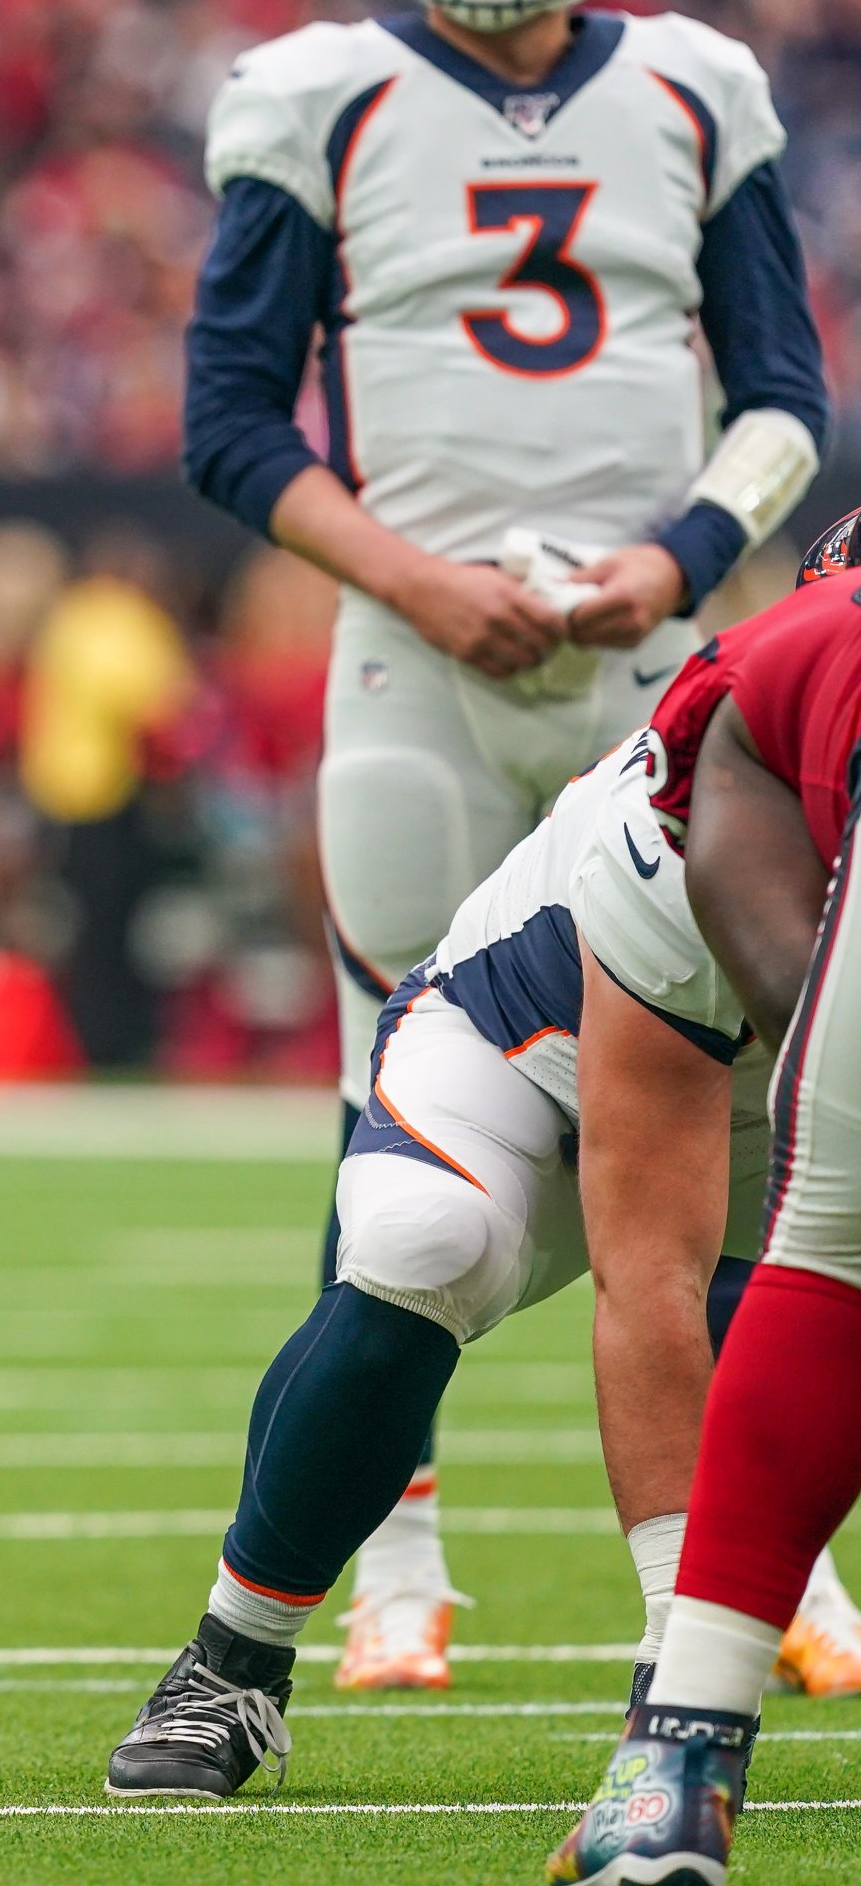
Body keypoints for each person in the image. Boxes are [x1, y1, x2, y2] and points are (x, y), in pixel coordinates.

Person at [178, 0, 828, 1689]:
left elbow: (788, 392)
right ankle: (395, 1558)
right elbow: (226, 420)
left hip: (661, 662)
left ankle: (769, 1562)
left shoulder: (698, 87)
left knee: (763, 1096)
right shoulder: (321, 93)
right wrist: (415, 577)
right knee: (388, 1098)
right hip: (419, 656)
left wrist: (674, 562)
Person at [104, 542, 861, 1802]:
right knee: (424, 1243)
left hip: (758, 1069)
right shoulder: (689, 817)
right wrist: (683, 1665)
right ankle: (230, 1658)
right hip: (537, 1051)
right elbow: (649, 1274)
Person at [547, 547, 861, 1882]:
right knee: (829, 1232)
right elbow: (725, 765)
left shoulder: (795, 649)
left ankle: (676, 1759)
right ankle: (678, 1748)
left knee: (827, 1239)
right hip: (750, 778)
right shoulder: (782, 663)